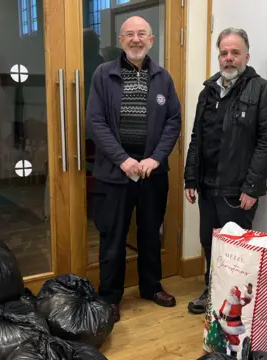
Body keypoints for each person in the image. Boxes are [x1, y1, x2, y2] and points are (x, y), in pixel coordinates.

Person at [86, 16, 181, 322]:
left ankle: (151, 286)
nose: (136, 39)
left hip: (152, 173)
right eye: (130, 34)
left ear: (151, 40)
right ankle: (110, 296)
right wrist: (122, 159)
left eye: (142, 34)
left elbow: (173, 121)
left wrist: (155, 158)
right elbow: (95, 122)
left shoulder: (163, 77)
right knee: (112, 236)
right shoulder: (103, 74)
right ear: (121, 40)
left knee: (151, 232)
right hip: (115, 172)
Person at [184, 27, 267, 314]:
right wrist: (191, 177)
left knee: (236, 251)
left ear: (246, 56)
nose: (229, 58)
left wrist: (252, 187)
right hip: (206, 186)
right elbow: (196, 137)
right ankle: (211, 290)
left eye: (235, 53)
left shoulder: (264, 90)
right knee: (208, 243)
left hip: (237, 190)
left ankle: (232, 303)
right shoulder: (209, 91)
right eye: (224, 53)